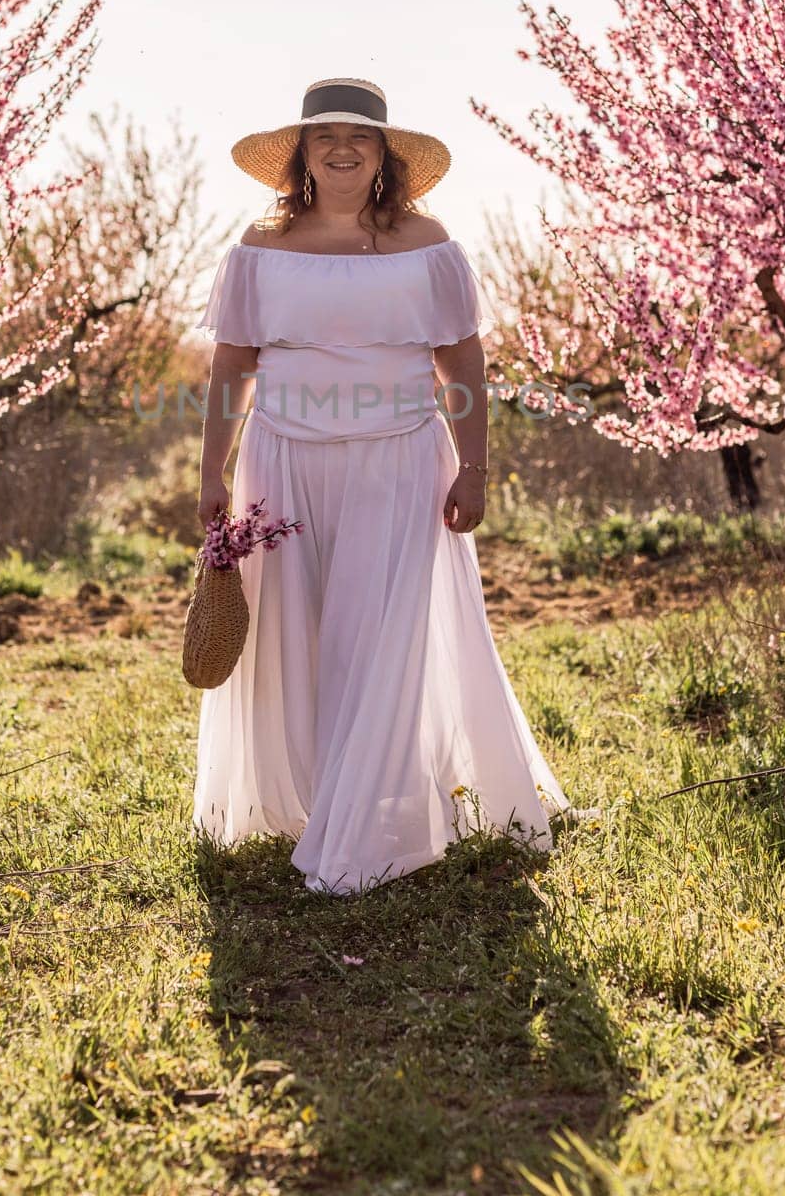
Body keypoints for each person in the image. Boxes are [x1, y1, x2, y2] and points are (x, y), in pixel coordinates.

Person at [191, 77, 570, 895]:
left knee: (381, 630)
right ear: (299, 155)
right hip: (282, 460)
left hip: (400, 459)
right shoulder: (256, 246)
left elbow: (461, 359)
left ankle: (372, 822)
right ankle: (309, 800)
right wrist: (210, 469)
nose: (340, 148)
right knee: (295, 630)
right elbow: (231, 363)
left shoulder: (428, 242)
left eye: (358, 138)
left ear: (383, 157)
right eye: (324, 136)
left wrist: (475, 466)